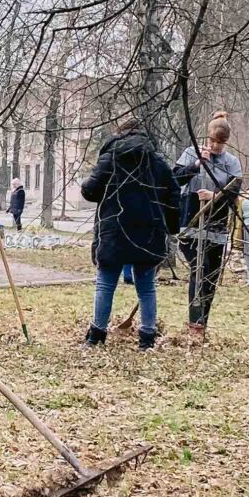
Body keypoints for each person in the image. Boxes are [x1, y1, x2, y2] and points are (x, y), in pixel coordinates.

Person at [79, 115, 181, 349]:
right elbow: (173, 193)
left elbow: (90, 190)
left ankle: (96, 335)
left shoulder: (111, 157)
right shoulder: (156, 161)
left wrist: (90, 184)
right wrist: (172, 227)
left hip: (115, 230)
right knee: (146, 286)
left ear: (120, 132)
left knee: (105, 283)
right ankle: (147, 337)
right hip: (148, 233)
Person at [172, 112, 243, 339]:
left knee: (210, 274)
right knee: (198, 268)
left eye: (219, 144)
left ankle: (203, 321)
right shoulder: (191, 152)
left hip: (217, 221)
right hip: (191, 218)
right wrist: (195, 164)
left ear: (226, 143)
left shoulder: (231, 162)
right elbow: (176, 179)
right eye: (211, 141)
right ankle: (194, 321)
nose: (214, 146)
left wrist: (215, 195)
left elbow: (234, 190)